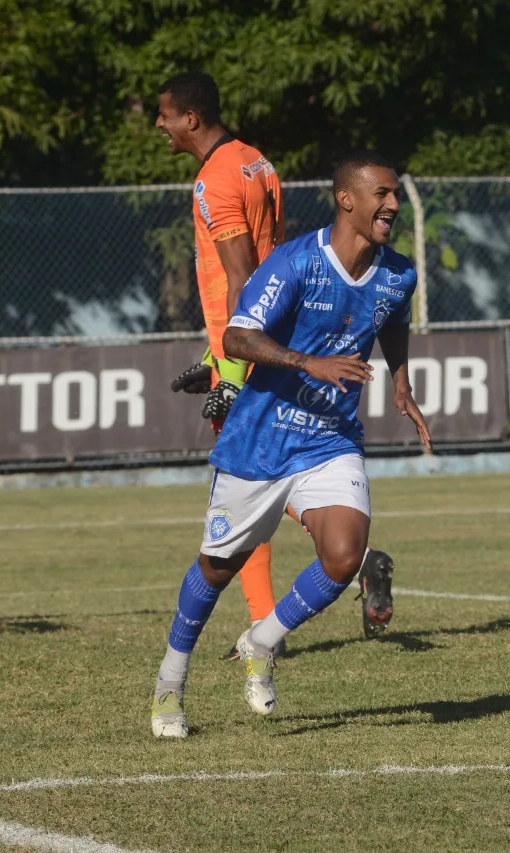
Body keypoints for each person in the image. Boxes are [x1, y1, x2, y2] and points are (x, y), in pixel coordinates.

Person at [150, 151, 431, 738]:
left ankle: (262, 639)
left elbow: (393, 316)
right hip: (261, 440)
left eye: (397, 195)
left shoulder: (398, 272)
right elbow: (238, 335)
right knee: (217, 568)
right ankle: (169, 686)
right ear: (346, 200)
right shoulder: (296, 261)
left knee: (345, 554)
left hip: (329, 439)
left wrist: (400, 381)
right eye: (381, 194)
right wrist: (308, 362)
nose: (393, 205)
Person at [157, 71, 397, 649]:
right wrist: (212, 355)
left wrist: (233, 372)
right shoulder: (254, 161)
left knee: (250, 489)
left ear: (191, 118)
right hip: (263, 339)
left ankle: (269, 623)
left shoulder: (212, 180)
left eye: (164, 114)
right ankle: (341, 570)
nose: (158, 125)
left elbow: (243, 279)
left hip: (250, 349)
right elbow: (273, 263)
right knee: (274, 479)